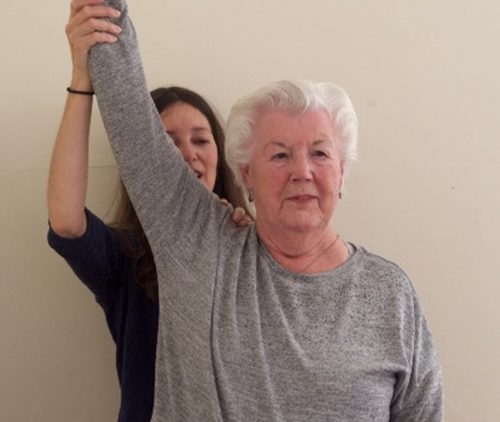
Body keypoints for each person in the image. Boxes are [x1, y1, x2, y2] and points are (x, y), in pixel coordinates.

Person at [88, 0, 444, 420]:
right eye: (279, 155)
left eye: (320, 153)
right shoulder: (199, 247)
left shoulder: (390, 294)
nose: (302, 172)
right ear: (247, 175)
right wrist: (102, 15)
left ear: (342, 173)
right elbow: (129, 113)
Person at [47, 2, 250, 421]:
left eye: (201, 140)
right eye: (168, 144)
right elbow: (66, 221)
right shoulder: (126, 255)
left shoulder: (255, 248)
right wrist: (82, 79)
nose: (187, 156)